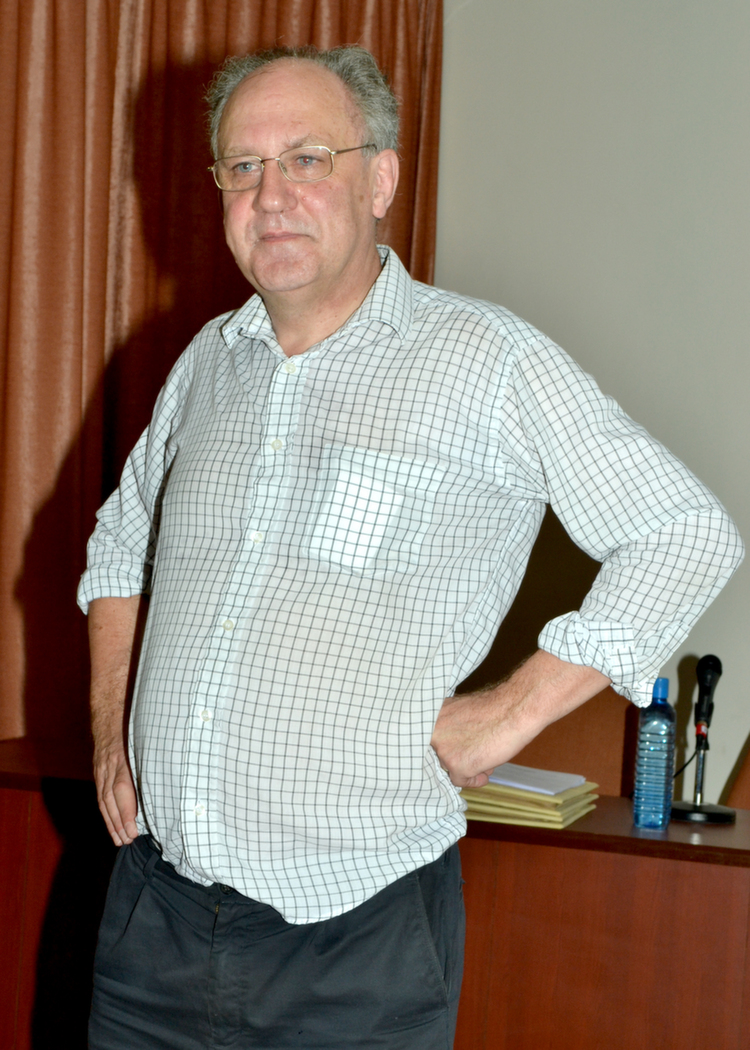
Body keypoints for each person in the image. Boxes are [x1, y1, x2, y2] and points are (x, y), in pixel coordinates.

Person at [78, 44, 743, 1050]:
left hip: (357, 943)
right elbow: (121, 547)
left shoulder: (487, 360)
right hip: (152, 922)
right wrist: (109, 731)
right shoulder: (207, 363)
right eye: (243, 166)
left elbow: (683, 532)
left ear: (380, 179)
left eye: (307, 159)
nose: (270, 195)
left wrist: (510, 714)